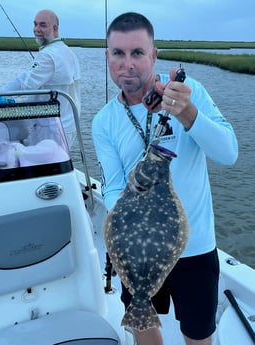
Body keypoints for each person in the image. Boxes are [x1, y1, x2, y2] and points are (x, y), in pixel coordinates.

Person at [92, 12, 238, 345]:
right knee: (142, 322)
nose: (128, 64)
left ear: (154, 55)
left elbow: (229, 153)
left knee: (198, 334)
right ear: (107, 57)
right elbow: (113, 187)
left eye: (138, 53)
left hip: (195, 247)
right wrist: (133, 209)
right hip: (135, 249)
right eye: (118, 53)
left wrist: (187, 113)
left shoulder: (189, 92)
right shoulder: (104, 121)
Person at [0, 9, 81, 149]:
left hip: (51, 130)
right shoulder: (68, 52)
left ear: (55, 28)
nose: (37, 29)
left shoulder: (48, 56)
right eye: (35, 24)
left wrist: (0, 95)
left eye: (43, 25)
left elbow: (23, 83)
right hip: (68, 126)